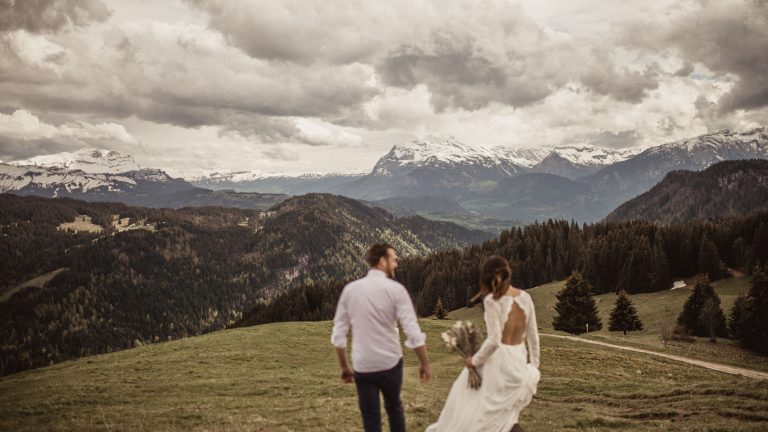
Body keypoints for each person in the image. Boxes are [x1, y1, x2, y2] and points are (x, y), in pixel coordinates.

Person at [426, 255, 540, 432]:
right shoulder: (525, 297)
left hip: (500, 361)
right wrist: (534, 367)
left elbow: (494, 340)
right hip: (519, 359)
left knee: (471, 403)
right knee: (504, 414)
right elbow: (533, 337)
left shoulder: (492, 301)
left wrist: (474, 361)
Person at [331, 243, 432, 432]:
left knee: (370, 417)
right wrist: (424, 363)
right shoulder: (396, 290)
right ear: (382, 261)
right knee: (394, 408)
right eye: (394, 259)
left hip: (363, 365)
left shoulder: (350, 290)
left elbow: (339, 333)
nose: (396, 264)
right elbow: (412, 330)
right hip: (390, 363)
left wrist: (344, 366)